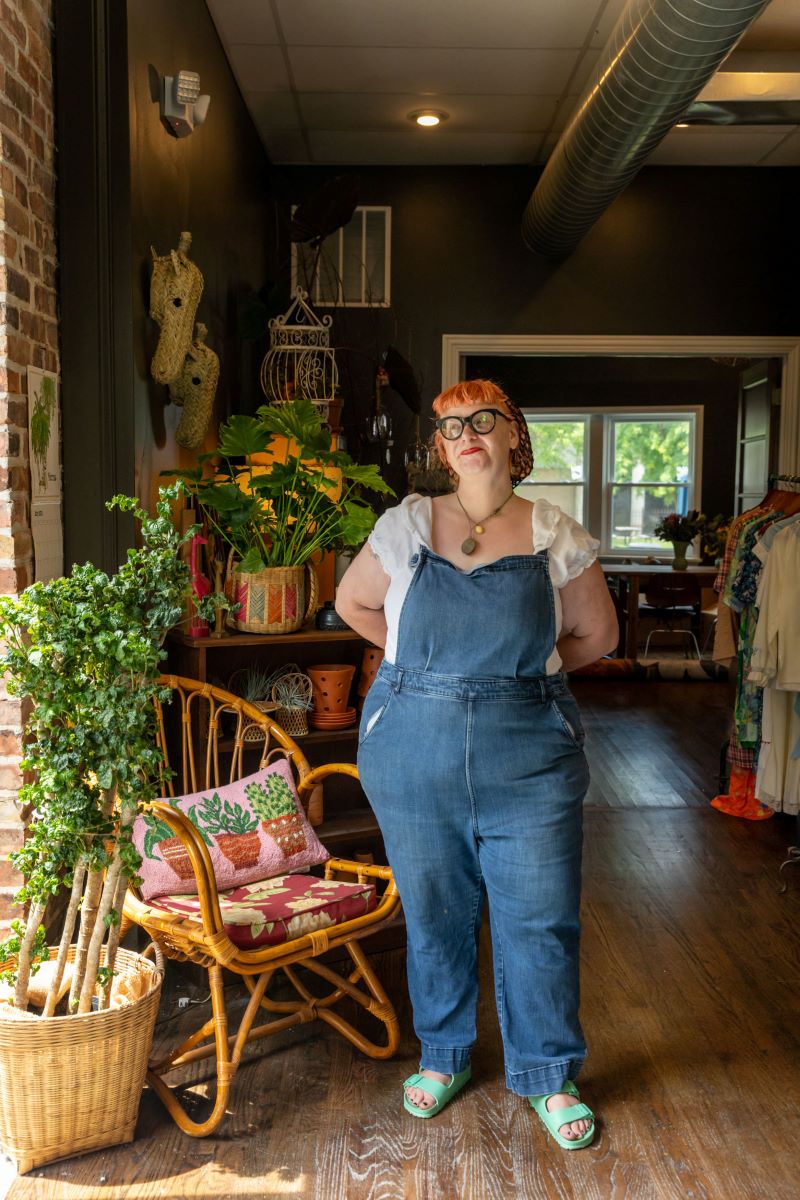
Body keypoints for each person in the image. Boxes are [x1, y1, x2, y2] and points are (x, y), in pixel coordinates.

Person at [335, 379, 618, 1149]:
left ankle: (548, 1073)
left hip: (529, 752)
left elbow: (599, 635)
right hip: (411, 748)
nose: (466, 433)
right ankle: (446, 1054)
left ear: (512, 436)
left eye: (481, 419)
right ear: (440, 446)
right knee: (435, 911)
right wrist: (414, 673)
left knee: (541, 917)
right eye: (451, 424)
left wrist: (522, 678)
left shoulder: (551, 529)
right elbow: (353, 604)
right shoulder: (408, 525)